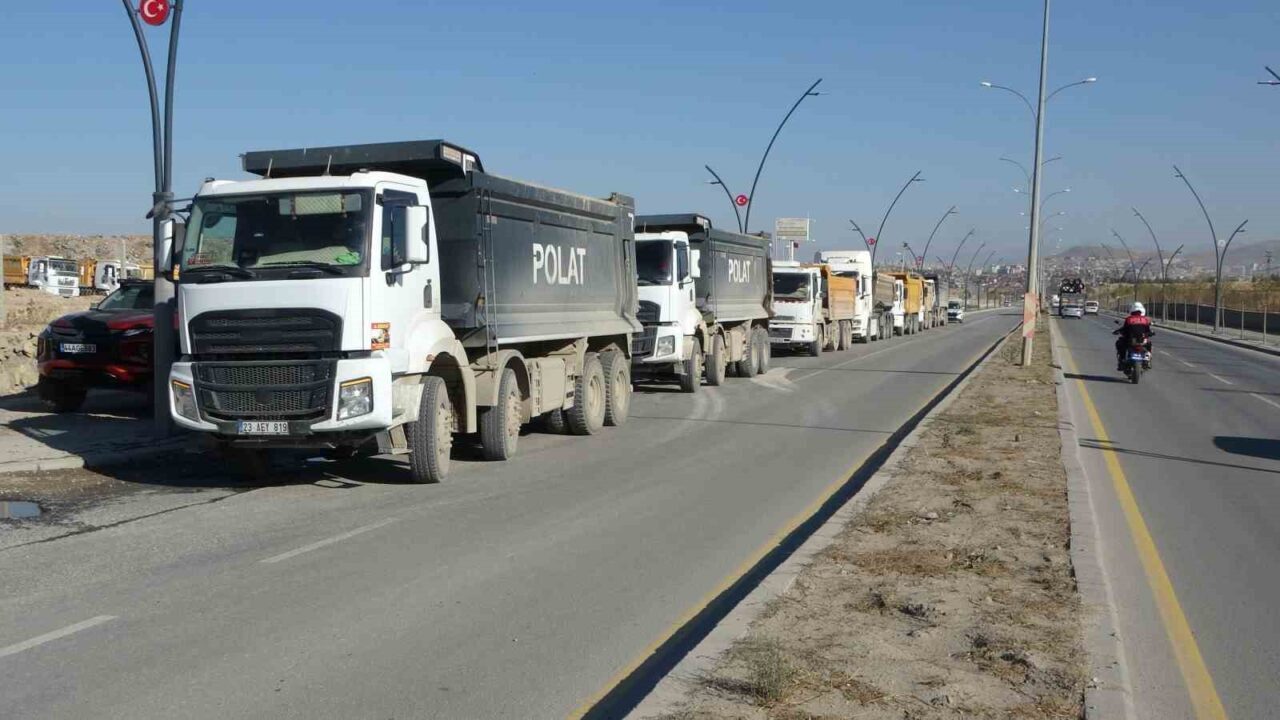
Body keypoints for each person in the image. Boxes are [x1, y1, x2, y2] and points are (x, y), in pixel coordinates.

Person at [1113, 302, 1153, 370]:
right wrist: (1149, 334)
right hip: (1142, 341)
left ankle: (1122, 360)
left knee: (1119, 343)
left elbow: (1125, 329)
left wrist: (1118, 331)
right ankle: (1147, 359)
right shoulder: (1145, 320)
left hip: (1130, 341)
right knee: (1149, 345)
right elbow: (1148, 330)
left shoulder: (1129, 319)